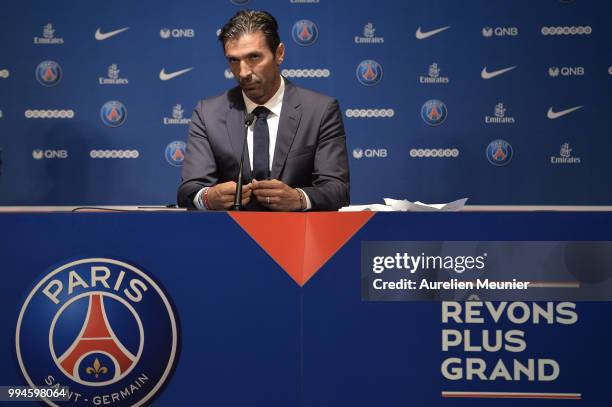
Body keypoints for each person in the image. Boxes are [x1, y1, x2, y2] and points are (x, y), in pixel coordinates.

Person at [177, 10, 350, 211]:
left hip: (298, 236)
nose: (243, 72)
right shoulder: (208, 113)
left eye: (254, 57)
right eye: (234, 60)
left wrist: (298, 198)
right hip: (230, 236)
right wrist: (208, 198)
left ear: (279, 54)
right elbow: (188, 190)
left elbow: (338, 189)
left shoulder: (319, 110)